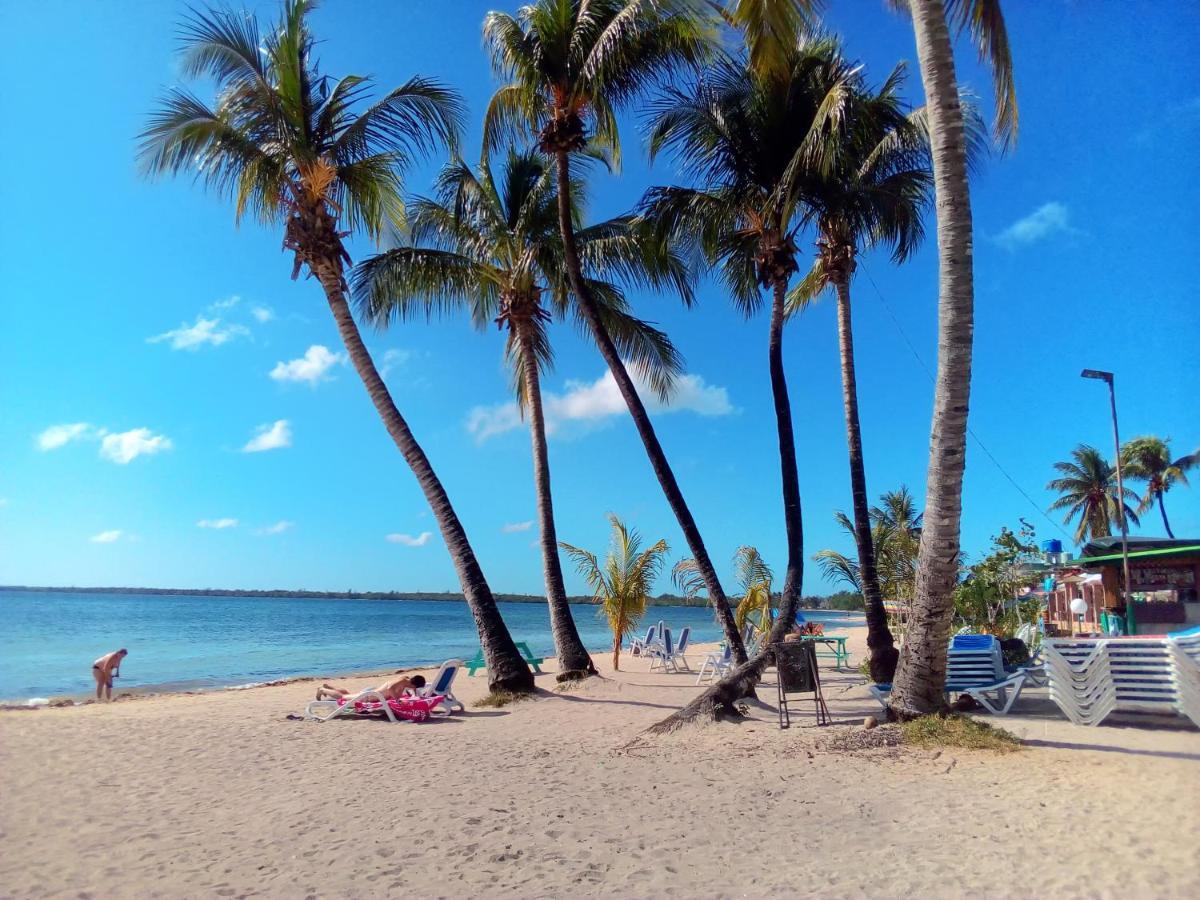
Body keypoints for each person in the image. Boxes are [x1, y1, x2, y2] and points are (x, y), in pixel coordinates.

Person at [315, 674, 426, 703]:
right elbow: (390, 687)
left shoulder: (406, 680)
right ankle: (322, 690)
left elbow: (411, 688)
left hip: (372, 693)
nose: (414, 689)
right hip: (368, 697)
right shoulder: (402, 681)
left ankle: (328, 687)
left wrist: (416, 693)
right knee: (344, 697)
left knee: (349, 694)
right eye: (415, 688)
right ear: (413, 684)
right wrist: (397, 699)